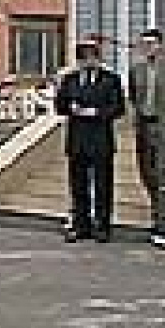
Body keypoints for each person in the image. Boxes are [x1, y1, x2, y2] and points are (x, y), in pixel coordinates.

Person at [55, 38, 125, 243]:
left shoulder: (111, 79)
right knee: (78, 186)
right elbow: (60, 105)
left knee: (103, 185)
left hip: (100, 139)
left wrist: (96, 112)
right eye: (83, 58)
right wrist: (71, 107)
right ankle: (81, 225)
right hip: (77, 139)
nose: (88, 61)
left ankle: (103, 226)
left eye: (92, 57)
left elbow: (118, 108)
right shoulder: (70, 79)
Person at [128, 28, 165, 248]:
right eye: (144, 44)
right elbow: (134, 97)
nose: (147, 48)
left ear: (161, 45)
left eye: (152, 43)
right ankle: (156, 216)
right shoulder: (136, 70)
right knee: (147, 174)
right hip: (144, 126)